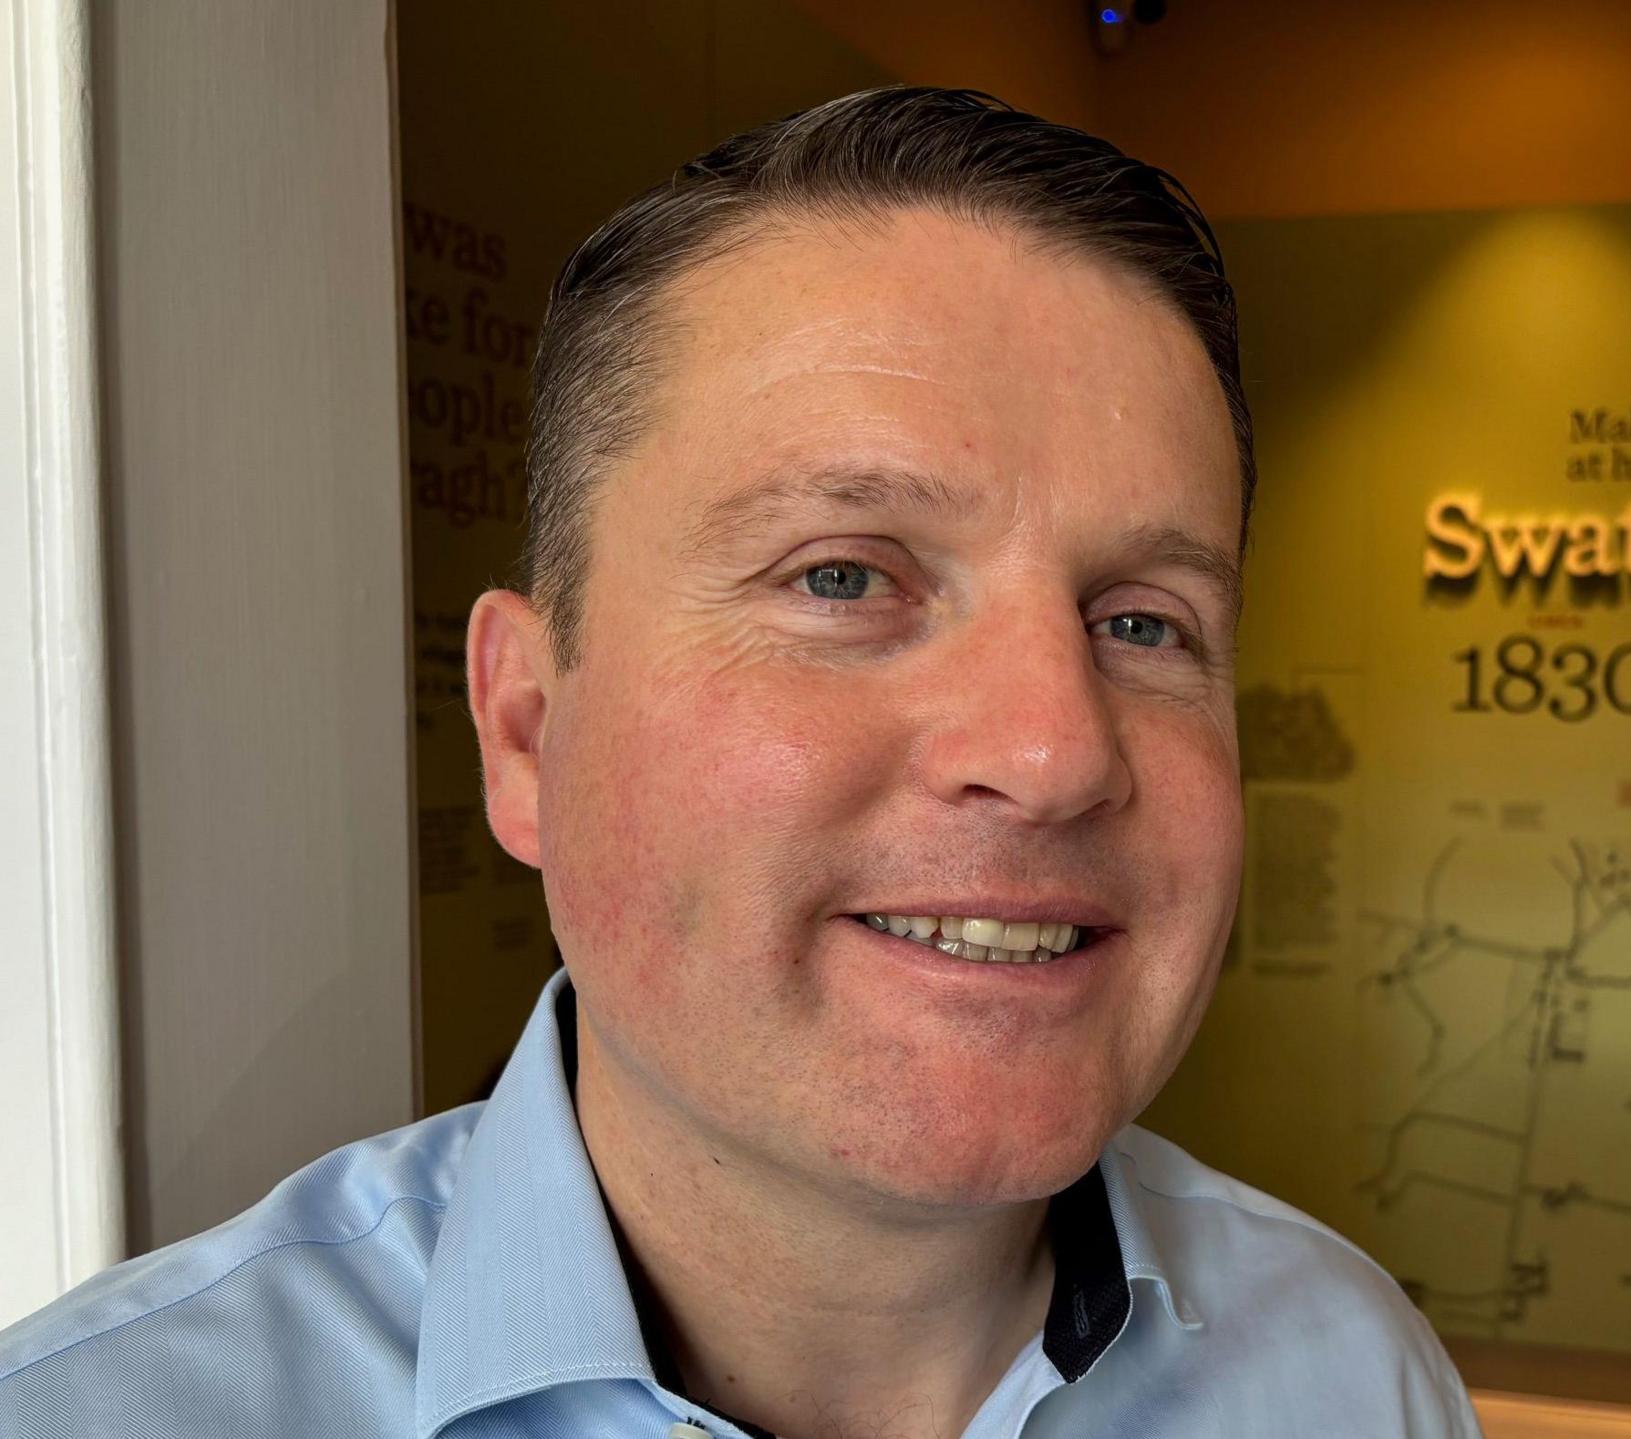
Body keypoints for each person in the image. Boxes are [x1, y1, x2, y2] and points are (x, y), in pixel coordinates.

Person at [0, 86, 1481, 1439]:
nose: (1053, 749)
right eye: (844, 578)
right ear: (525, 729)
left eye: (1144, 622)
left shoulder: (1354, 1377)